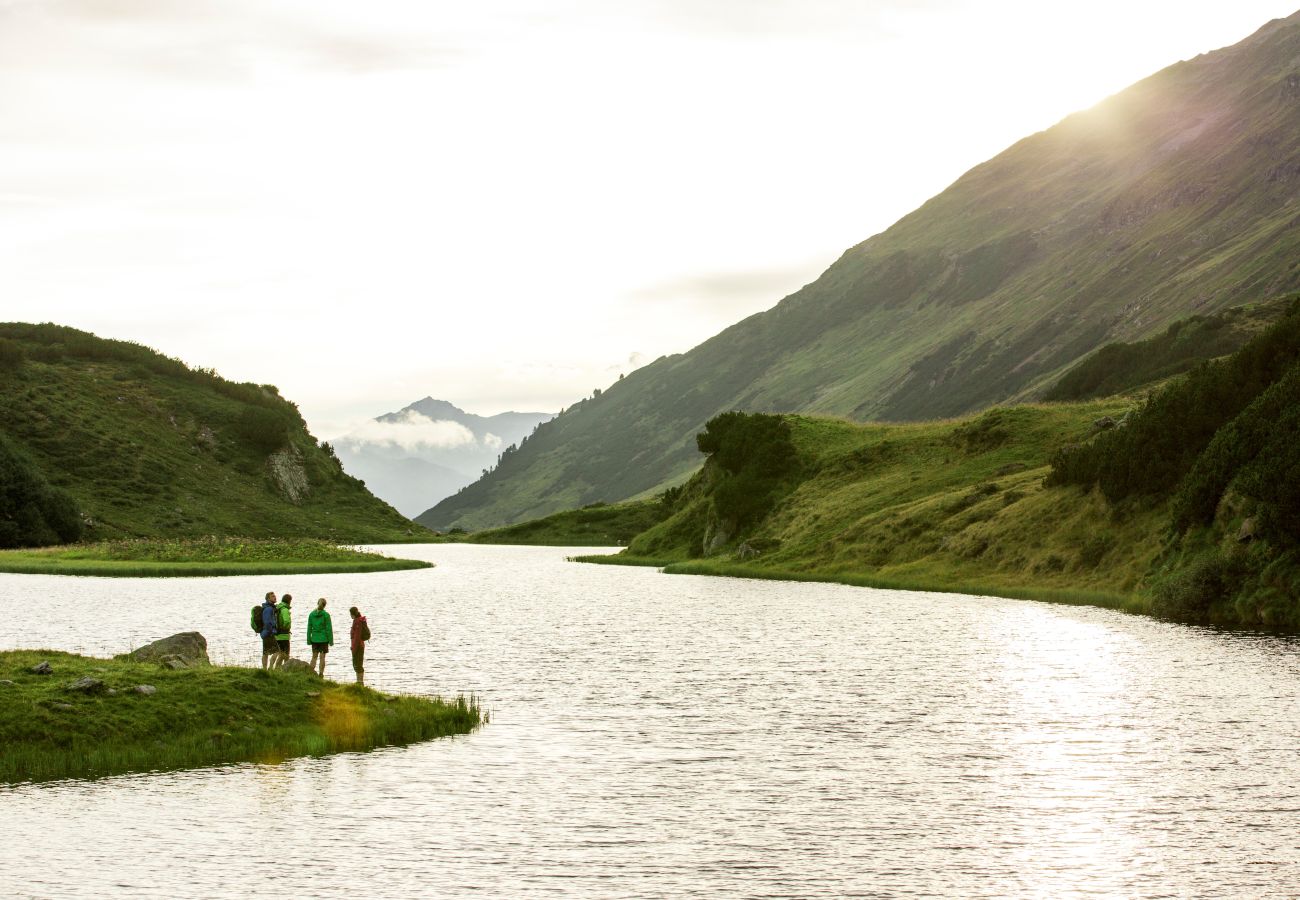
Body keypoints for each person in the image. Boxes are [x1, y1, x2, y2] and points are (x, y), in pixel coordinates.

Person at [307, 598, 333, 677]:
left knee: (314, 656)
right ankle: (321, 674)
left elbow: (309, 628)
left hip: (314, 639)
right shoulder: (326, 615)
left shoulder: (311, 614)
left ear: (317, 603)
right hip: (324, 639)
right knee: (322, 657)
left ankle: (310, 673)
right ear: (324, 605)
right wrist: (331, 641)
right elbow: (329, 629)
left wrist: (309, 639)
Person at [349, 606, 370, 686]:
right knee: (358, 664)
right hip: (359, 645)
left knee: (358, 664)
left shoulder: (357, 622)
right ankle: (359, 681)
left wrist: (353, 649)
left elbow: (357, 637)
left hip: (358, 646)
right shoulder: (359, 620)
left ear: (352, 614)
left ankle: (360, 682)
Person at [259, 591, 279, 670]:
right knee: (277, 651)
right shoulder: (269, 609)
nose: (275, 597)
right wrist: (272, 630)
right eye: (273, 596)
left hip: (265, 633)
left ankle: (264, 670)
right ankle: (270, 668)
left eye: (275, 596)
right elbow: (267, 622)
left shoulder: (268, 607)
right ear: (268, 599)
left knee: (265, 653)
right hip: (268, 633)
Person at [274, 594, 293, 668]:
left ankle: (277, 669)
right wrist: (286, 628)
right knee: (286, 655)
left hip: (277, 635)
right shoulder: (284, 609)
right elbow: (287, 621)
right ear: (289, 601)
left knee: (281, 654)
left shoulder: (278, 608)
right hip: (284, 635)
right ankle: (285, 670)